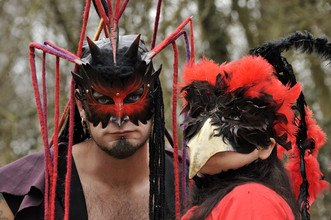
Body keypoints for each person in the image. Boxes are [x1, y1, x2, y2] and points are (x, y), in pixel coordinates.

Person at [0, 0, 192, 219]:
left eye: (135, 96)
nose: (120, 117)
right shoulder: (27, 188)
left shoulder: (193, 180)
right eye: (102, 99)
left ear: (155, 100)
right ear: (81, 106)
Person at [180, 32, 329, 220]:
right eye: (200, 115)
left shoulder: (250, 199)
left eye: (233, 116)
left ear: (266, 147)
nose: (209, 126)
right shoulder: (216, 204)